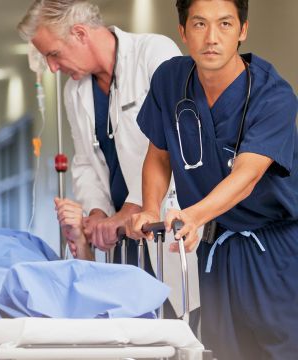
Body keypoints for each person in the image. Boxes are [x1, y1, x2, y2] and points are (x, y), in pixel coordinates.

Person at [127, 0, 298, 358]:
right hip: (216, 250)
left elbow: (248, 174)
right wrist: (149, 208)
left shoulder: (273, 95)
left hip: (276, 251)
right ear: (183, 32)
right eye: (200, 25)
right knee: (223, 352)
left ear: (243, 30)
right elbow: (159, 154)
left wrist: (194, 215)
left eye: (224, 24)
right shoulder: (170, 81)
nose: (212, 38)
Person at [17, 1, 180, 267]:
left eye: (54, 54)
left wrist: (132, 207)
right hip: (118, 234)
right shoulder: (75, 90)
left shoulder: (153, 53)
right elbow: (84, 160)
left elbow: (173, 143)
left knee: (173, 305)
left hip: (161, 221)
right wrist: (97, 211)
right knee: (125, 306)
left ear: (80, 33)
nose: (52, 68)